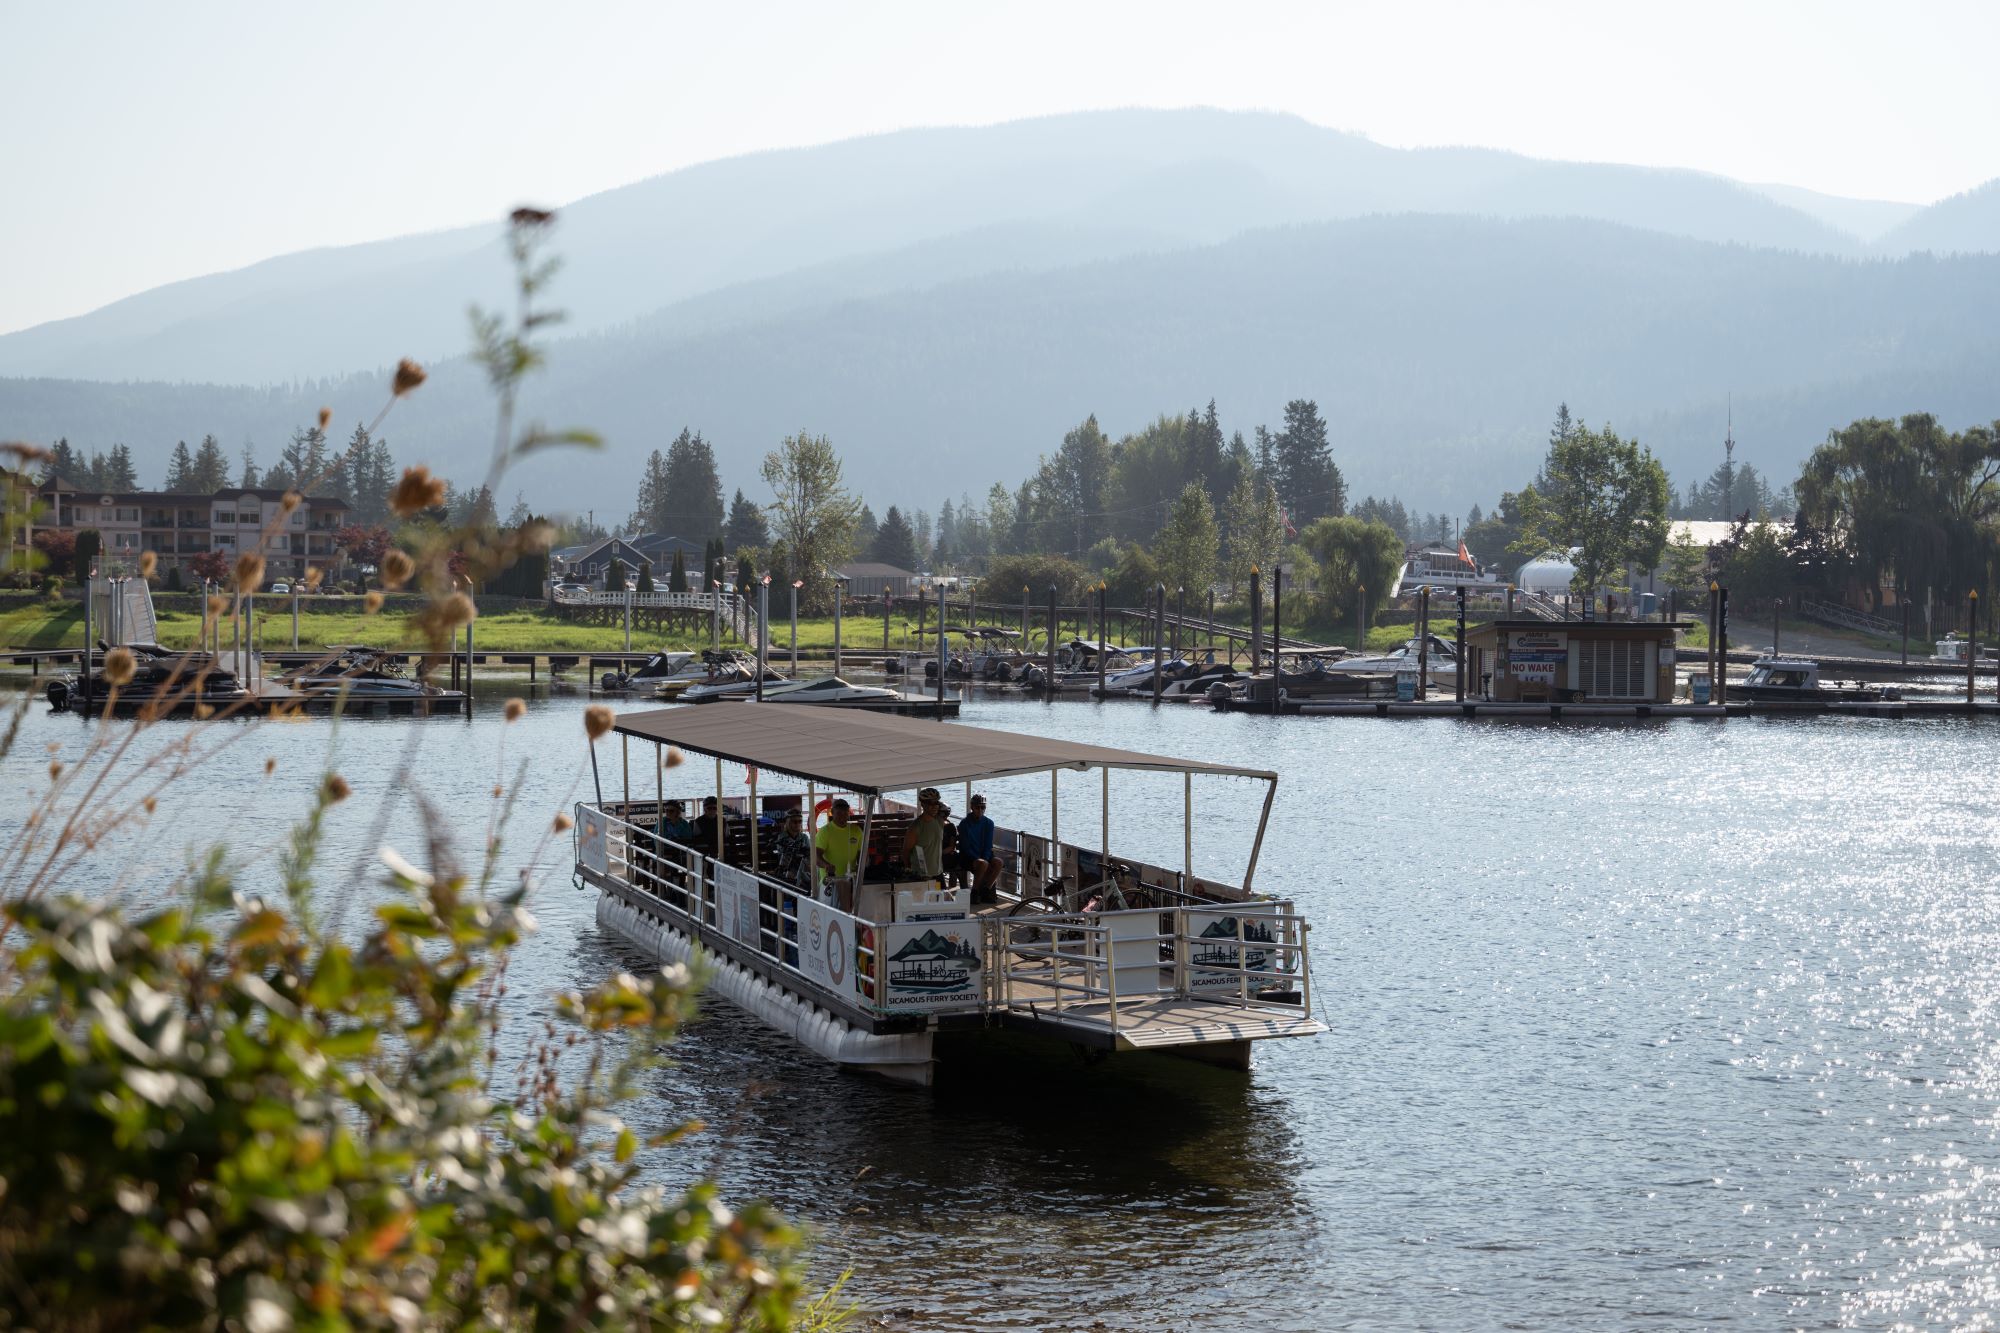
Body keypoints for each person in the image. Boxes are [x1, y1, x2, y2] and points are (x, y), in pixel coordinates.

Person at [813, 797, 864, 911]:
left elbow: (862, 856)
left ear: (848, 813)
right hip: (830, 882)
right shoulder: (825, 832)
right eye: (839, 813)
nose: (842, 816)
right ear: (832, 813)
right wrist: (826, 865)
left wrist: (865, 866)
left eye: (845, 813)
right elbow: (816, 857)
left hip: (853, 881)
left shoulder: (856, 831)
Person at [957, 793, 1001, 903]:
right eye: (977, 807)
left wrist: (985, 858)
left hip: (983, 855)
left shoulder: (989, 823)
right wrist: (979, 859)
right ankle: (975, 892)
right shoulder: (965, 824)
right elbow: (965, 847)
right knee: (983, 864)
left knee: (998, 862)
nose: (980, 810)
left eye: (983, 807)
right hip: (968, 856)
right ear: (972, 807)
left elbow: (988, 844)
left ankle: (986, 890)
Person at [902, 788, 945, 880]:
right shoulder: (915, 827)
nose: (934, 806)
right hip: (922, 876)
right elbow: (906, 851)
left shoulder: (939, 821)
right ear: (923, 805)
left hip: (938, 872)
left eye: (936, 803)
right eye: (930, 803)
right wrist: (910, 871)